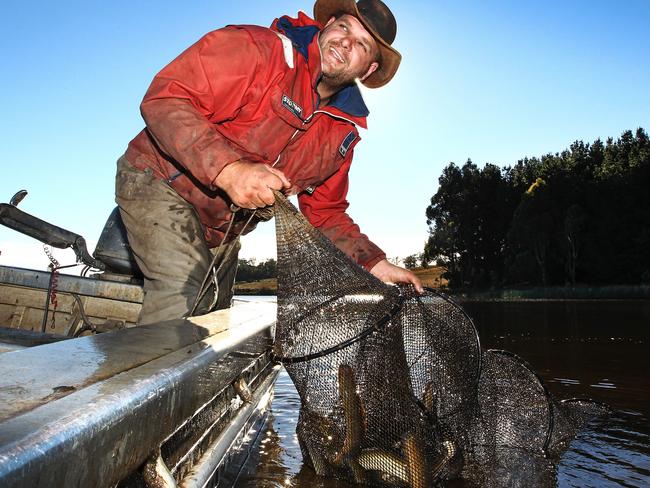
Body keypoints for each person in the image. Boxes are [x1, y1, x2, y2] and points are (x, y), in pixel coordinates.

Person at [115, 0, 423, 325]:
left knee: (214, 319)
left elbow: (326, 213)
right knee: (182, 299)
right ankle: (146, 377)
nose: (346, 42)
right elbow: (166, 97)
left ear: (369, 69)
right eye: (344, 27)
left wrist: (374, 263)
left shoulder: (341, 134)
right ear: (328, 24)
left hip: (223, 230)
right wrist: (228, 169)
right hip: (158, 179)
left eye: (362, 44)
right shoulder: (260, 49)